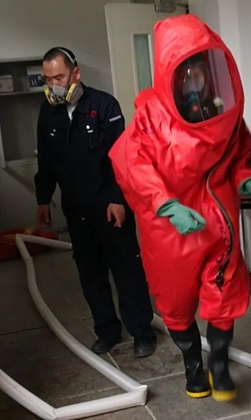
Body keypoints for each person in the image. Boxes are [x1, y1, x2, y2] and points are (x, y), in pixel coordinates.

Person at [109, 15, 251, 402]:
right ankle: (192, 364)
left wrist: (247, 178)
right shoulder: (150, 118)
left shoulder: (223, 110)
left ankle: (219, 362)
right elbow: (131, 164)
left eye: (201, 69)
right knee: (175, 301)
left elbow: (239, 153)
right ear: (169, 72)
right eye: (185, 71)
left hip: (218, 219)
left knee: (225, 291)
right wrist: (166, 205)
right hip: (171, 229)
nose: (194, 79)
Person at [34, 47, 157, 358]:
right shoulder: (48, 112)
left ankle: (141, 332)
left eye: (59, 77)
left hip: (110, 204)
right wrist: (43, 199)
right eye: (48, 80)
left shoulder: (104, 105)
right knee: (90, 272)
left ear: (76, 73)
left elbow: (121, 157)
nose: (54, 85)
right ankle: (107, 331)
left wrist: (117, 198)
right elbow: (46, 160)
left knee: (126, 269)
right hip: (76, 207)